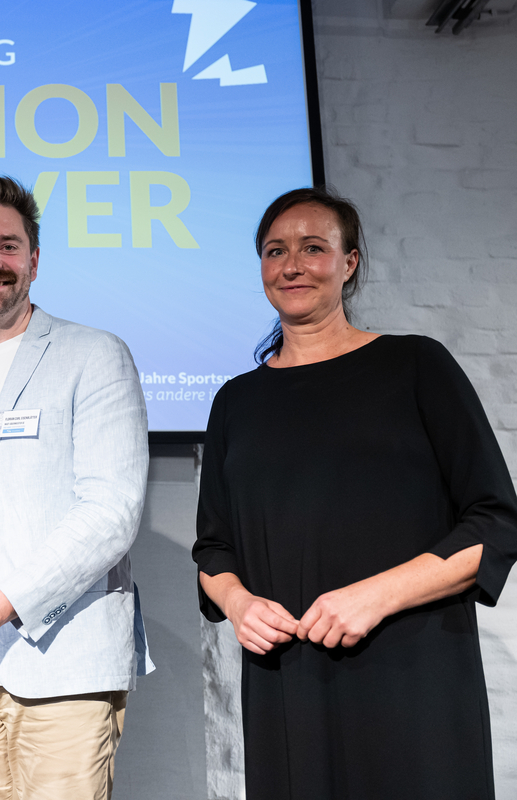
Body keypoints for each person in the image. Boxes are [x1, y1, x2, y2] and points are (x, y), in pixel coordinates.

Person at [193, 186, 517, 799]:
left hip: (414, 679)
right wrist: (239, 605)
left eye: (313, 248)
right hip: (287, 686)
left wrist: (374, 597)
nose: (292, 265)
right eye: (275, 251)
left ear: (349, 263)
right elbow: (213, 549)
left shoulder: (416, 366)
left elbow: (496, 523)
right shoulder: (237, 401)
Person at [0, 175, 151, 800]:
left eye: (8, 246)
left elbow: (111, 512)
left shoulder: (95, 355)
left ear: (34, 260)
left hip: (63, 670)